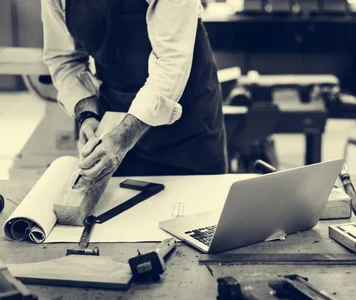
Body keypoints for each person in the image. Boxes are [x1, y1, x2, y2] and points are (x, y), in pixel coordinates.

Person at [41, 0, 227, 180]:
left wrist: (122, 138)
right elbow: (64, 59)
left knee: (198, 203)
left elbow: (171, 63)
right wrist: (87, 115)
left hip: (187, 119)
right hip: (115, 112)